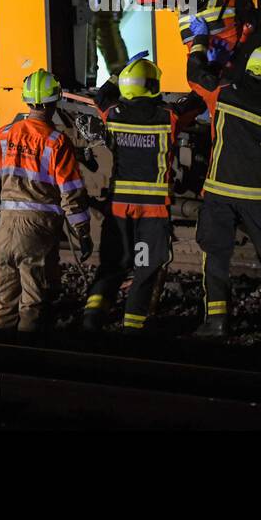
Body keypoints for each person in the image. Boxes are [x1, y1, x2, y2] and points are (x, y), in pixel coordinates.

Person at [186, 27, 261, 337]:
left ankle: (217, 321)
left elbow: (195, 75)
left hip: (219, 190)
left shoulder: (224, 91)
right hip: (256, 195)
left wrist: (199, 41)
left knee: (216, 253)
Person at [82, 54, 204, 333]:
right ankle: (133, 327)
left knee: (113, 263)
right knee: (147, 266)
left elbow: (103, 95)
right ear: (153, 85)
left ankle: (92, 318)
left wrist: (119, 71)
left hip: (119, 207)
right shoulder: (168, 117)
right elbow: (198, 102)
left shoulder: (112, 114)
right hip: (153, 209)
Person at [0, 69, 92, 333]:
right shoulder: (56, 141)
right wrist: (83, 233)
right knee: (32, 303)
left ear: (27, 100)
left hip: (5, 229)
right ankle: (26, 361)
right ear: (54, 102)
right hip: (37, 231)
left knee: (2, 303)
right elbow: (71, 193)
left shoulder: (5, 134)